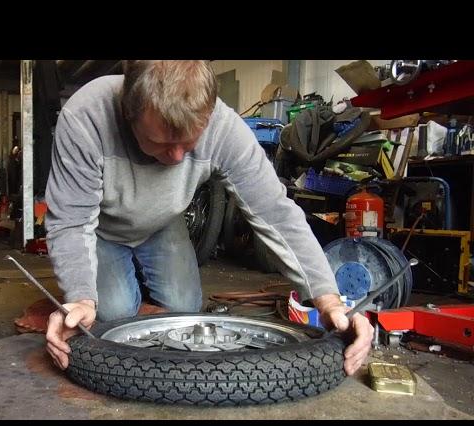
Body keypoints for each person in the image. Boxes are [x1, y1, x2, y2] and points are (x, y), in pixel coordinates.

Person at [44, 60, 373, 374]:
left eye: (187, 145)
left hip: (164, 221)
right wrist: (81, 299)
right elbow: (72, 220)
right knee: (112, 313)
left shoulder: (223, 127)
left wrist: (330, 302)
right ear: (129, 113)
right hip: (104, 227)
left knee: (185, 307)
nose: (174, 159)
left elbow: (275, 213)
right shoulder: (86, 116)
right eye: (159, 143)